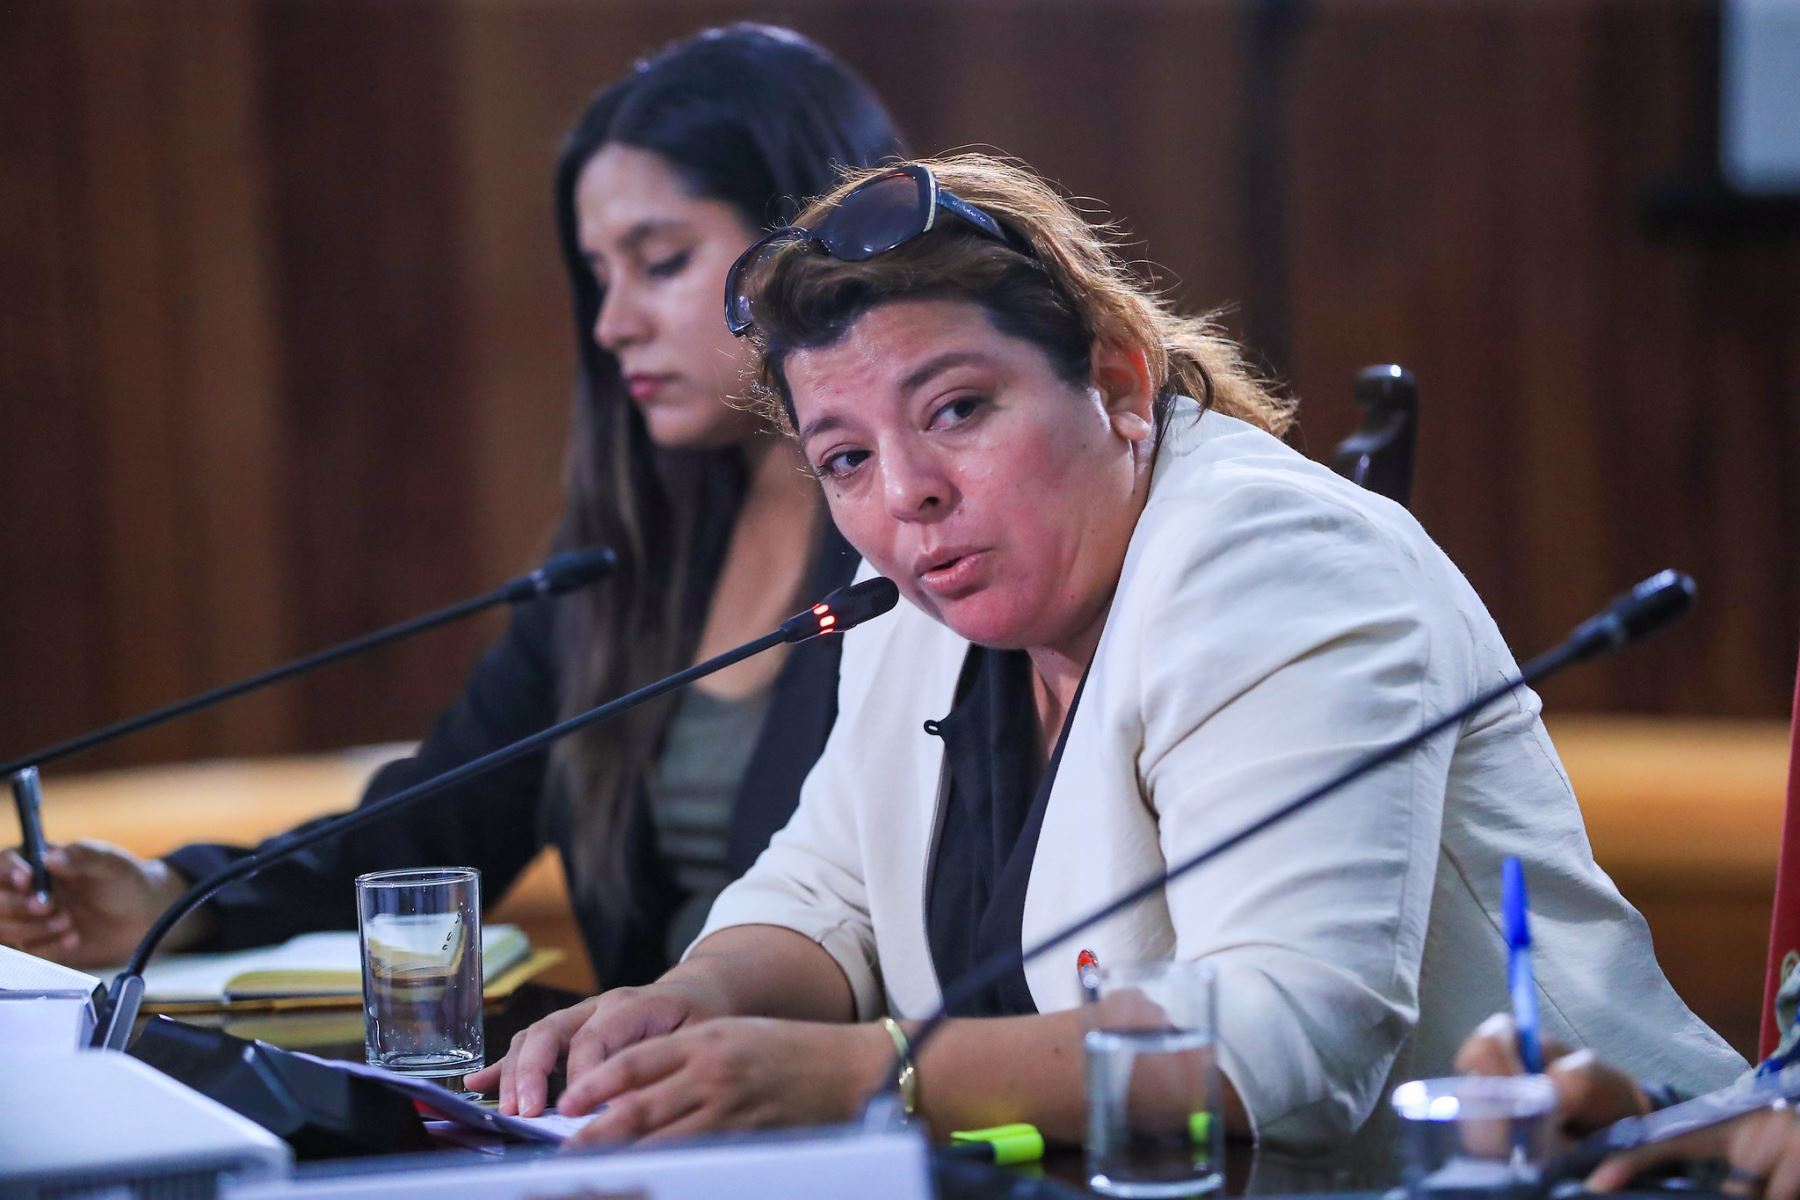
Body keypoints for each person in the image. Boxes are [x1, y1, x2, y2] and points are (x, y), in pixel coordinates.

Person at [474, 153, 1745, 1152]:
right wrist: (688, 1006)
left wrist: (873, 1070)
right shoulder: (909, 590)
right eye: (846, 457)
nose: (907, 493)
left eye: (959, 409)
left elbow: (1292, 1042)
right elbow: (830, 893)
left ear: (1123, 383)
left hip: (1599, 1170)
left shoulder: (1271, 563)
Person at [0, 25, 903, 990]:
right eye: (599, 275)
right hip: (643, 1098)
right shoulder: (623, 554)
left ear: (809, 236)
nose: (611, 323)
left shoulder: (926, 525)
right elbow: (436, 821)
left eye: (661, 260)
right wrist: (172, 896)